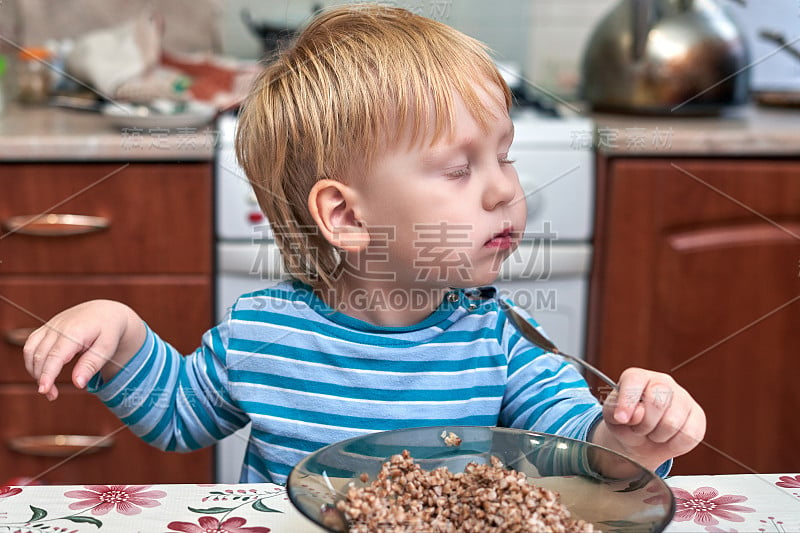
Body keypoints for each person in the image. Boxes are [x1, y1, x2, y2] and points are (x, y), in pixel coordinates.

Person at [23, 4, 705, 485]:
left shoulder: (500, 343)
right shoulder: (263, 333)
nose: (504, 191)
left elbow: (583, 456)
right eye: (462, 167)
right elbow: (176, 415)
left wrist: (631, 436)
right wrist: (122, 334)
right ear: (345, 217)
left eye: (506, 157)